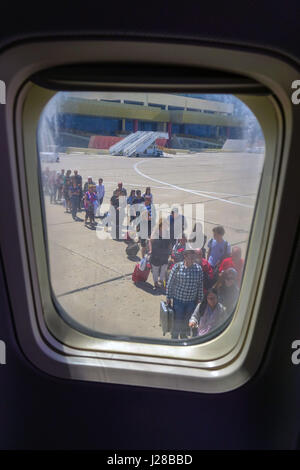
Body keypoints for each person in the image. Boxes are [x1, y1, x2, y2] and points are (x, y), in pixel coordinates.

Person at [166, 247, 203, 339]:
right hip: (178, 301)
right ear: (185, 256)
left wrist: (200, 300)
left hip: (191, 302)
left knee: (187, 321)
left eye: (193, 257)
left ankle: (183, 337)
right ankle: (174, 338)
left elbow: (200, 286)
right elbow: (170, 283)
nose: (192, 259)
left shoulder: (198, 269)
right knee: (177, 321)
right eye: (190, 257)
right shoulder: (177, 267)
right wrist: (168, 297)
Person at [148, 218, 172, 289]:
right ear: (160, 225)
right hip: (156, 253)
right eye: (165, 224)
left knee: (164, 267)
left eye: (167, 225)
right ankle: (155, 282)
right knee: (155, 268)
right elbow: (150, 241)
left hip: (164, 254)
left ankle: (161, 279)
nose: (166, 226)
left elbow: (169, 243)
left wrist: (171, 252)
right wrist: (150, 250)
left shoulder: (167, 232)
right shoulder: (155, 232)